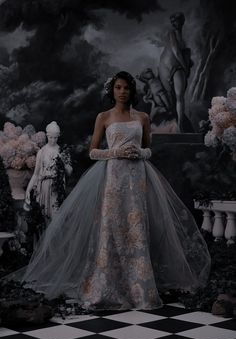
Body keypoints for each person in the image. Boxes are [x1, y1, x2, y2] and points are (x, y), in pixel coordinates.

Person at [20, 71, 210, 310]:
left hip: (138, 177)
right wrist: (116, 153)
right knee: (111, 226)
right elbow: (92, 151)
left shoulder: (142, 117)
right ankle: (107, 285)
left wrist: (139, 153)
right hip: (113, 177)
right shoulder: (104, 117)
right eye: (118, 87)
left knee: (137, 227)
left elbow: (149, 149)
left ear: (132, 91)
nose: (122, 92)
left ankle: (140, 288)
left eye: (127, 88)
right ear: (112, 90)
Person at [24, 121, 72, 220]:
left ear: (58, 136)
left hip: (57, 187)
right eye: (51, 137)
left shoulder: (62, 151)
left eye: (55, 138)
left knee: (56, 215)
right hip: (44, 188)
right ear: (47, 136)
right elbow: (36, 174)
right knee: (43, 216)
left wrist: (65, 162)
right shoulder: (42, 152)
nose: (53, 140)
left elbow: (69, 172)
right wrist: (28, 190)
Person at [158, 12, 193, 132]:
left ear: (182, 21)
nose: (173, 23)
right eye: (172, 21)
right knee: (178, 98)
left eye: (176, 20)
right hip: (175, 68)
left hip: (172, 68)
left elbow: (181, 52)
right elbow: (176, 52)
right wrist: (185, 67)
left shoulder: (180, 35)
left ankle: (180, 124)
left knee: (177, 97)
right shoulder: (172, 33)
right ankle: (180, 126)